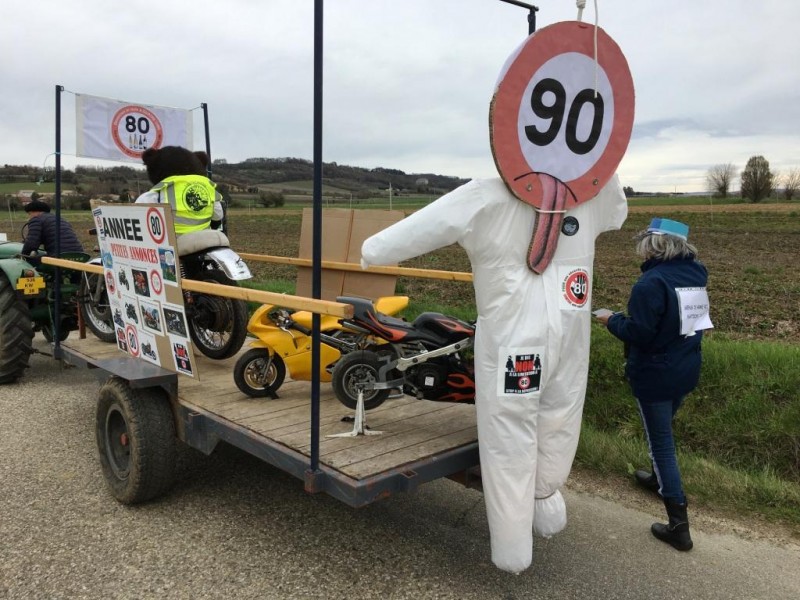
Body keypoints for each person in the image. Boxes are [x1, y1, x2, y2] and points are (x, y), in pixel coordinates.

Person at [361, 175, 628, 573]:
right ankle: (538, 510)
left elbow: (420, 229)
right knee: (560, 415)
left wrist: (372, 250)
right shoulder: (589, 189)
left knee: (512, 433)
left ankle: (519, 535)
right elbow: (616, 204)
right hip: (568, 331)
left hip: (514, 337)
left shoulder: (490, 194)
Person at [596, 217, 712, 552]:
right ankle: (658, 480)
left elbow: (640, 334)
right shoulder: (696, 273)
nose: (641, 249)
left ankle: (679, 527)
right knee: (662, 431)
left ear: (655, 245)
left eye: (645, 243)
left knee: (661, 444)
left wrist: (611, 320)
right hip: (685, 367)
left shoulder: (650, 283)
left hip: (656, 374)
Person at [134, 146, 224, 235]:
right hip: (205, 240)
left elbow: (138, 225)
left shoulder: (152, 196)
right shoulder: (208, 190)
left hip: (173, 242)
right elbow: (218, 217)